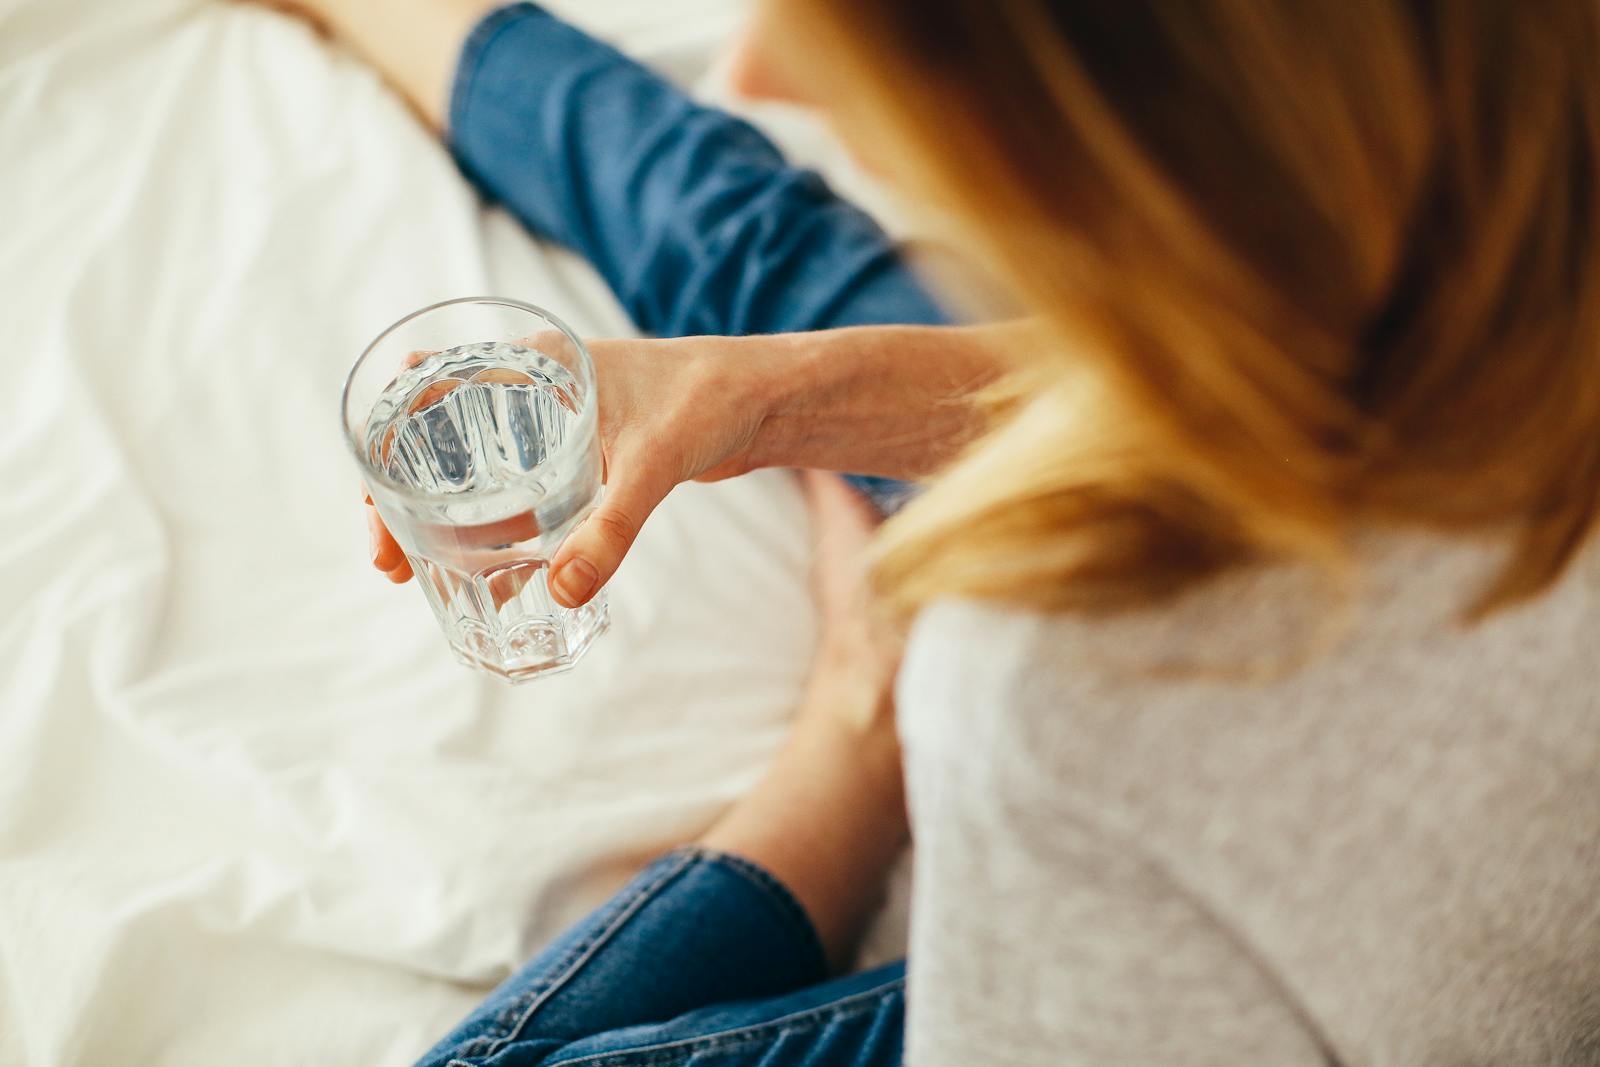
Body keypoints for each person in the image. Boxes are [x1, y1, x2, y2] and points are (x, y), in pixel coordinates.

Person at [276, 1, 1600, 1063]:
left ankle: (857, 726)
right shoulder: (1508, 168)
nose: (761, 61)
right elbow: (1323, 373)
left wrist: (938, 700)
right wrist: (777, 398)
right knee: (765, 291)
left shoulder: (1063, 697)